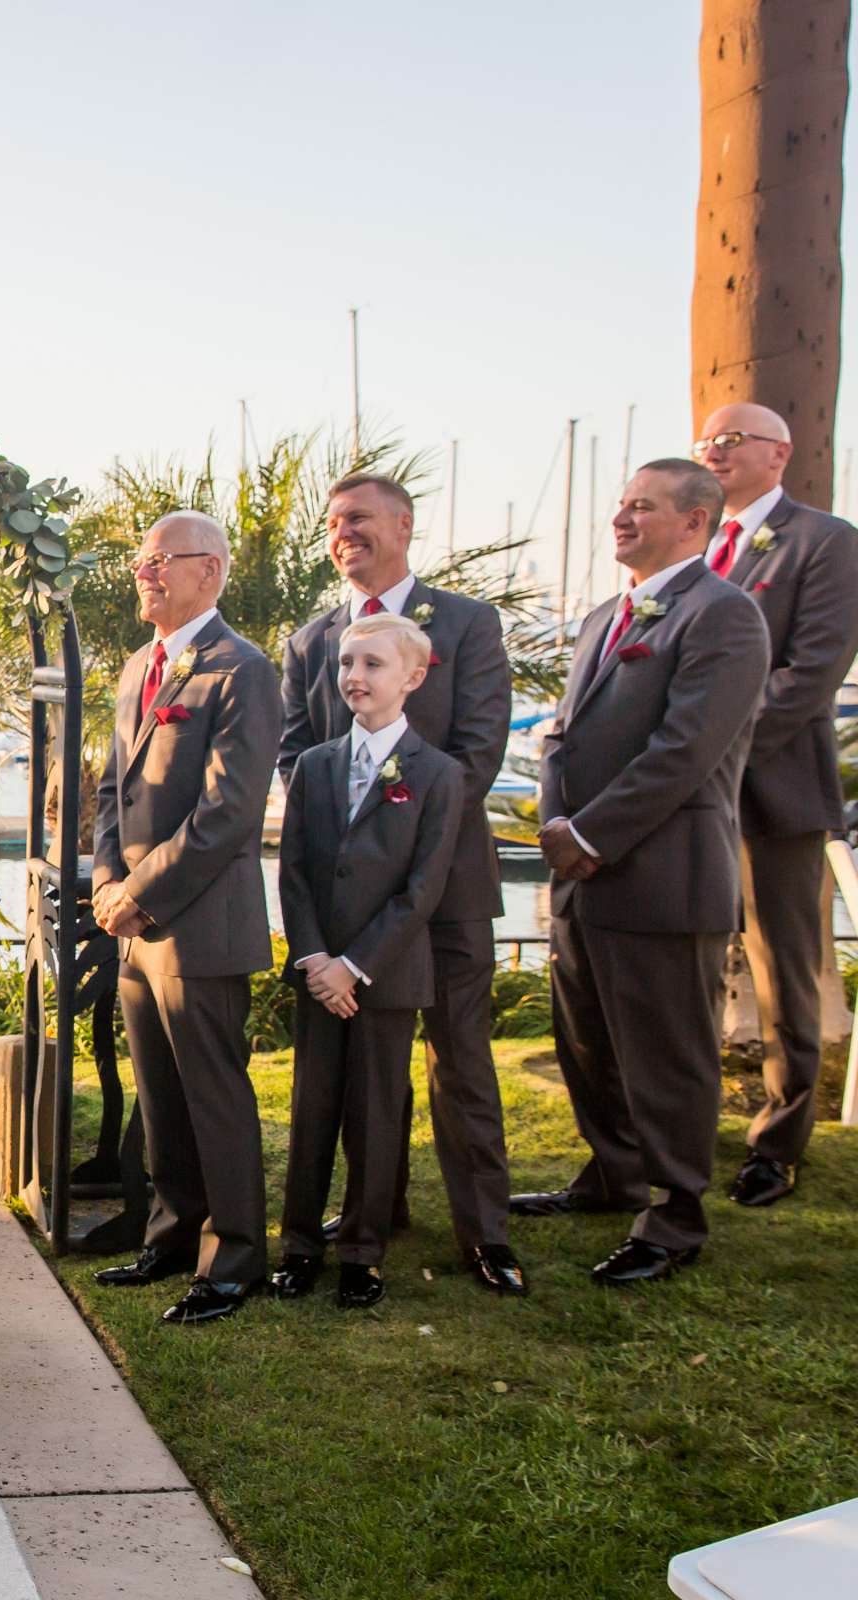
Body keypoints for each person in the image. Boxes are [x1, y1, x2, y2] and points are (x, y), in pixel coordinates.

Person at [511, 461, 768, 1284]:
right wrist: (556, 824)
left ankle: (677, 1212)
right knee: (587, 1040)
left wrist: (591, 833)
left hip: (662, 874)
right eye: (619, 504)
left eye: (641, 507)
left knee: (666, 1051)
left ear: (695, 521)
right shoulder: (599, 618)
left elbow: (687, 750)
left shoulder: (725, 616)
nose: (621, 518)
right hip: (581, 872)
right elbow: (562, 737)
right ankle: (614, 1172)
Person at [277, 473, 526, 1296]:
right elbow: (298, 755)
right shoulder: (314, 639)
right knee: (356, 1073)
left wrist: (403, 845)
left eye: (357, 518)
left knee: (460, 1059)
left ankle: (485, 1232)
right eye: (332, 523)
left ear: (403, 523)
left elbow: (480, 751)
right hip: (344, 905)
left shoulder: (466, 623)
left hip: (442, 886)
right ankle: (373, 1212)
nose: (341, 532)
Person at [86, 511, 280, 1326]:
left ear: (213, 571)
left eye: (163, 559)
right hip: (135, 922)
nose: (146, 571)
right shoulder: (140, 665)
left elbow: (227, 812)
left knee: (214, 1096)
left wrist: (142, 893)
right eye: (143, 559)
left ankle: (234, 1257)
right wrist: (103, 879)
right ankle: (169, 1237)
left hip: (197, 921)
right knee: (159, 1096)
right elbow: (109, 792)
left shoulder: (243, 669)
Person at [691, 403, 858, 1208]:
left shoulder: (824, 541)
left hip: (774, 790)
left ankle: (779, 1141)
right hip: (686, 802)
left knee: (784, 968)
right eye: (707, 441)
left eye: (733, 440)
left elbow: (811, 672)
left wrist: (708, 750)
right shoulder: (691, 547)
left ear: (779, 453)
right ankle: (676, 1127)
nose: (715, 449)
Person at [272, 614, 462, 1310]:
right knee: (312, 1107)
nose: (355, 676)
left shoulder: (438, 774)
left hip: (384, 975)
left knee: (377, 1113)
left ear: (412, 677)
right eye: (348, 663)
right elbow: (293, 870)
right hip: (320, 973)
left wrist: (356, 965)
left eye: (374, 664)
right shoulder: (315, 765)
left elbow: (423, 888)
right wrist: (316, 957)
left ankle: (362, 1250)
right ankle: (298, 1244)